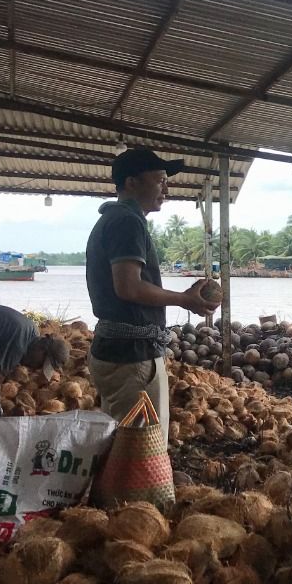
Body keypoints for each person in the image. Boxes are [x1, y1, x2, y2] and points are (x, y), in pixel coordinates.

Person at [86, 148, 218, 441]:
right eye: (159, 180)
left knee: (119, 446)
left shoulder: (115, 218)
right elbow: (128, 287)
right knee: (141, 453)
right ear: (132, 182)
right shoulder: (126, 221)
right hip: (132, 355)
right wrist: (186, 299)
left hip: (118, 349)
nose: (166, 189)